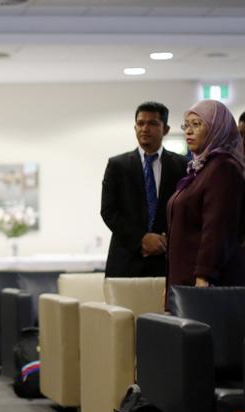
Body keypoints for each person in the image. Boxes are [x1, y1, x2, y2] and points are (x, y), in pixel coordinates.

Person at [101, 101, 188, 277]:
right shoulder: (117, 166)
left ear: (166, 129)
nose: (145, 129)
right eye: (140, 123)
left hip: (167, 261)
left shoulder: (182, 166)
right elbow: (109, 212)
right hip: (126, 261)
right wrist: (141, 239)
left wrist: (165, 241)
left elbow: (186, 212)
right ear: (135, 128)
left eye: (152, 123)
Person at [167, 99, 245, 288]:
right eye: (186, 125)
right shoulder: (199, 169)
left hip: (204, 282)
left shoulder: (223, 168)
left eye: (197, 124)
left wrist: (204, 275)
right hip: (184, 278)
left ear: (217, 128)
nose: (188, 130)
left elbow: (216, 227)